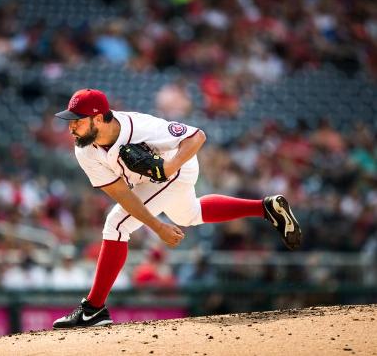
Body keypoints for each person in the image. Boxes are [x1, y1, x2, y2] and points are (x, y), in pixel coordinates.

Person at [52, 88, 302, 329]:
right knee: (189, 215)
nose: (71, 126)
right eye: (70, 121)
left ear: (98, 118)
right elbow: (121, 194)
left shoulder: (140, 127)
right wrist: (157, 226)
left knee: (116, 224)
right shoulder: (84, 149)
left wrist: (169, 168)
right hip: (149, 180)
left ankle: (93, 308)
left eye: (77, 121)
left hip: (177, 169)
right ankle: (266, 208)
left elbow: (197, 136)